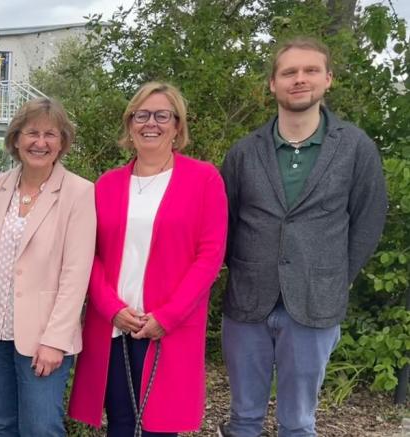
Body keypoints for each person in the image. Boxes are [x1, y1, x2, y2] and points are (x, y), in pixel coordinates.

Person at [218, 37, 387, 437]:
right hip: (247, 303)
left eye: (310, 70)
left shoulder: (355, 147)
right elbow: (223, 222)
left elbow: (368, 219)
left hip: (316, 303)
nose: (300, 79)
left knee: (298, 423)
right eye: (289, 72)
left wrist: (338, 277)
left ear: (328, 79)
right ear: (272, 84)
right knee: (243, 419)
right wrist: (240, 270)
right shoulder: (244, 152)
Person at [69, 82, 227, 436]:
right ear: (130, 124)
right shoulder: (107, 185)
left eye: (161, 115)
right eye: (141, 115)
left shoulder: (203, 179)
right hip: (114, 326)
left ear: (177, 126)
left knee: (159, 427)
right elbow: (86, 254)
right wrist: (111, 307)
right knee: (121, 425)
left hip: (166, 329)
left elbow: (210, 256)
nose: (150, 123)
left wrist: (167, 316)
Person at [0, 97, 96, 436]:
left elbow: (76, 275)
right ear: (16, 139)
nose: (40, 142)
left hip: (42, 339)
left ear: (62, 142)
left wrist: (55, 341)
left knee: (40, 428)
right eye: (32, 132)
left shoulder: (79, 193)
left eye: (51, 134)